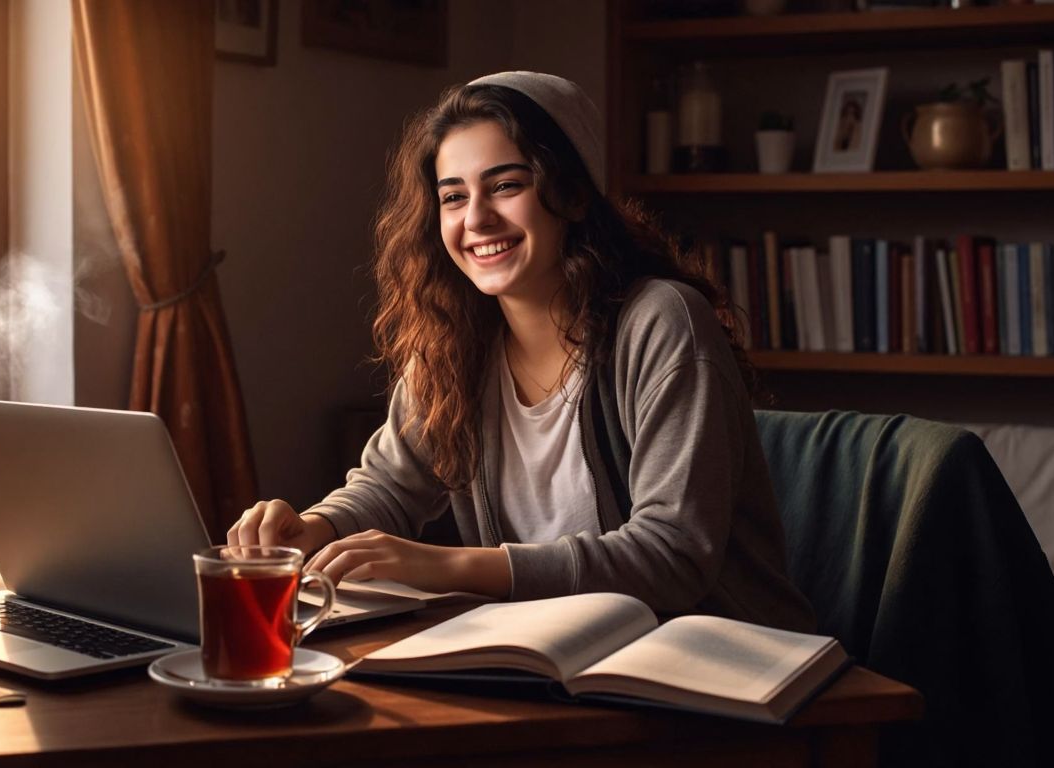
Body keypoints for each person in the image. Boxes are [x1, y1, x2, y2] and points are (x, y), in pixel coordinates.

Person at [229, 71, 815, 631]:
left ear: (573, 193)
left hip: (720, 665)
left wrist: (446, 566)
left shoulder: (662, 322)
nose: (477, 218)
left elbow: (673, 556)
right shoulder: (455, 340)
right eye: (453, 197)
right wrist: (314, 527)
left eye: (506, 185)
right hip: (555, 656)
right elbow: (389, 486)